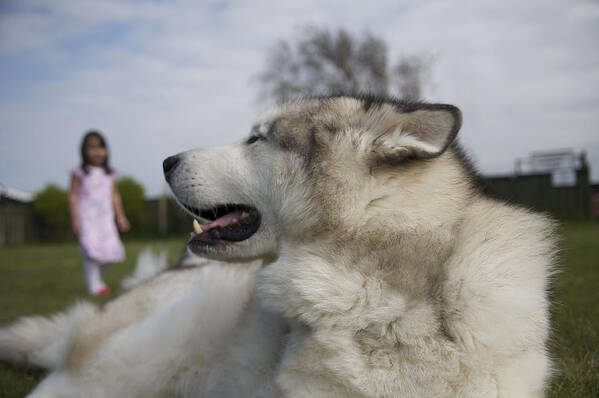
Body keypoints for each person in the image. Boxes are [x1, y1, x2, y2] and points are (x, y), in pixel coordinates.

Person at [68, 131, 130, 295]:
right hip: (87, 218)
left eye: (100, 147)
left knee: (110, 253)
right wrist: (75, 218)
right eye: (92, 148)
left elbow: (115, 196)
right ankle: (94, 287)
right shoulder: (80, 172)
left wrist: (121, 216)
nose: (97, 151)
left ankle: (97, 281)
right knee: (92, 253)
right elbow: (73, 196)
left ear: (106, 150)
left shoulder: (110, 173)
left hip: (105, 220)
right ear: (84, 151)